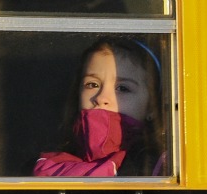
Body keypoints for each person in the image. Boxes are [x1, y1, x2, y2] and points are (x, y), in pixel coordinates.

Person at [33, 36, 166, 177]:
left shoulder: (158, 168)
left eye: (122, 88)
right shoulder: (46, 163)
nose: (101, 98)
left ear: (151, 106)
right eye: (92, 84)